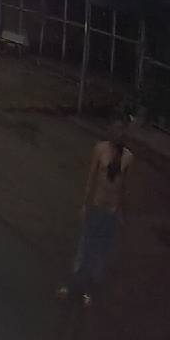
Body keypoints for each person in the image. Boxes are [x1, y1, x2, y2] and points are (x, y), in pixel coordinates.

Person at [58, 117, 134, 308]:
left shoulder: (127, 157)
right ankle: (71, 284)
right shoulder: (100, 149)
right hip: (97, 205)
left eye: (121, 132)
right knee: (85, 245)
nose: (118, 134)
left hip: (111, 210)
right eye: (115, 130)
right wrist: (85, 204)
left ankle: (88, 290)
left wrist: (121, 212)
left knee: (100, 250)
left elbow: (124, 186)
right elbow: (91, 178)